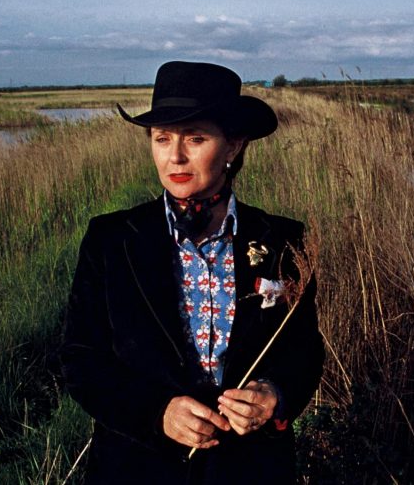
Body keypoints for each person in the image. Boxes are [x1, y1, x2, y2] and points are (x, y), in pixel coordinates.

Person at [60, 61, 324, 484]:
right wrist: (156, 413)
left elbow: (305, 353)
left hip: (250, 468)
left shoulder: (283, 241)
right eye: (162, 139)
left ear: (234, 146)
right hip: (136, 465)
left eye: (195, 138)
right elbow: (81, 360)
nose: (175, 156)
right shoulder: (111, 240)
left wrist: (274, 394)